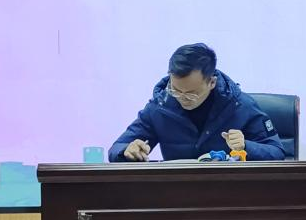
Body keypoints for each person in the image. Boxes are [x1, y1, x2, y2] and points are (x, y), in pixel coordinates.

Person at [109, 43, 285, 162]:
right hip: (176, 194)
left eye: (191, 94)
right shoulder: (160, 108)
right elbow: (116, 148)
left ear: (212, 82)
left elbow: (277, 152)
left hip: (228, 194)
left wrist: (246, 146)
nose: (182, 98)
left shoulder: (239, 106)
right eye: (175, 90)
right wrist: (128, 151)